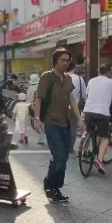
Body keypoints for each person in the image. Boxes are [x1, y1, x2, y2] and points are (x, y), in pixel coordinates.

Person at [33, 49, 82, 203]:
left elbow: (72, 100)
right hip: (52, 122)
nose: (65, 63)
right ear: (55, 61)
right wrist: (36, 118)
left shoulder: (68, 79)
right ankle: (50, 184)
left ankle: (55, 187)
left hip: (66, 122)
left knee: (64, 156)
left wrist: (79, 119)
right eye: (62, 60)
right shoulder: (47, 77)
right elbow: (39, 99)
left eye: (67, 60)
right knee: (60, 156)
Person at [82, 64, 112, 175]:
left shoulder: (91, 81)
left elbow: (88, 94)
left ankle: (86, 151)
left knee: (90, 132)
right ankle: (99, 160)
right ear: (109, 72)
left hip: (88, 110)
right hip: (102, 113)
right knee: (104, 138)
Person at [67, 62, 86, 154]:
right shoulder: (79, 79)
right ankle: (70, 147)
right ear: (73, 68)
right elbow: (85, 94)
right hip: (76, 106)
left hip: (62, 106)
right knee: (73, 126)